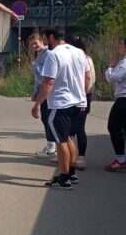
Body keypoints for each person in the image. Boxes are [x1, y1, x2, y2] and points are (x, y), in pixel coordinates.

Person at [32, 26, 90, 189]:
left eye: (45, 38)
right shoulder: (79, 52)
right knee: (69, 137)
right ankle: (71, 173)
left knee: (60, 140)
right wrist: (83, 96)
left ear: (51, 37)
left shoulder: (53, 54)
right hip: (78, 102)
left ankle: (64, 178)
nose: (44, 42)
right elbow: (87, 76)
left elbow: (49, 81)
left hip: (60, 103)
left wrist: (37, 104)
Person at [103, 36, 126, 172]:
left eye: (121, 43)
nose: (119, 45)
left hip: (125, 99)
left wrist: (110, 68)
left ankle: (120, 159)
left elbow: (112, 78)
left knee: (113, 127)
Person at [28, 32, 56, 159]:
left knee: (47, 119)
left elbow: (44, 75)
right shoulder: (39, 54)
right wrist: (35, 93)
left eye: (36, 43)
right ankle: (51, 145)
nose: (34, 46)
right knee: (46, 119)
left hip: (47, 92)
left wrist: (35, 66)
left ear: (42, 41)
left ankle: (51, 147)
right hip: (41, 91)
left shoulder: (47, 54)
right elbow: (37, 79)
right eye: (32, 45)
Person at [70, 36, 95, 170]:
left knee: (78, 128)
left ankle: (81, 157)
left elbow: (89, 79)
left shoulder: (84, 59)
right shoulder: (83, 58)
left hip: (82, 97)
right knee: (72, 128)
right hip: (79, 96)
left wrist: (83, 96)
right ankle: (72, 156)